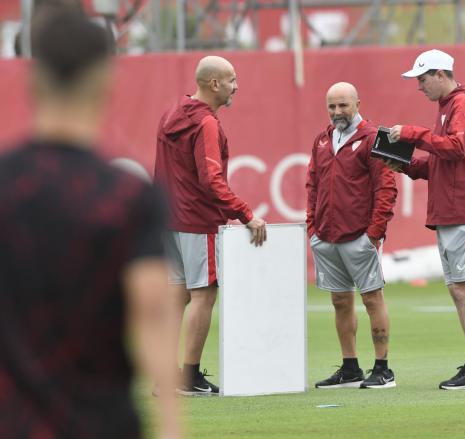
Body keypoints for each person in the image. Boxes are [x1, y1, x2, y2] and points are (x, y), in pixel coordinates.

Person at [0, 8, 180, 439]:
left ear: (33, 77)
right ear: (107, 79)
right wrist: (173, 426)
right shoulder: (127, 196)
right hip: (103, 424)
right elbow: (153, 314)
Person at [154, 55, 267, 396]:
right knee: (203, 295)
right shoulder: (206, 124)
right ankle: (188, 378)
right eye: (232, 79)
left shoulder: (170, 114)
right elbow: (211, 181)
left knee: (176, 296)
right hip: (197, 221)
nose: (236, 86)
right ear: (214, 83)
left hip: (167, 219)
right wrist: (247, 214)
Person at [386, 49, 465, 390]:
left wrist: (411, 134)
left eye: (422, 79)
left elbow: (455, 148)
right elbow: (440, 162)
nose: (419, 87)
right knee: (458, 288)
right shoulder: (448, 107)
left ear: (439, 74)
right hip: (451, 211)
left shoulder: (462, 103)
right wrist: (403, 164)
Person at [306, 82, 398, 389]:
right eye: (332, 106)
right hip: (327, 236)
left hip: (360, 236)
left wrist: (374, 233)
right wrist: (312, 226)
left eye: (343, 105)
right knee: (340, 301)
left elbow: (386, 188)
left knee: (372, 298)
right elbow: (313, 185)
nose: (337, 112)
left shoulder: (376, 137)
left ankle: (383, 368)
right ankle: (350, 368)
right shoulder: (322, 139)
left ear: (358, 103)